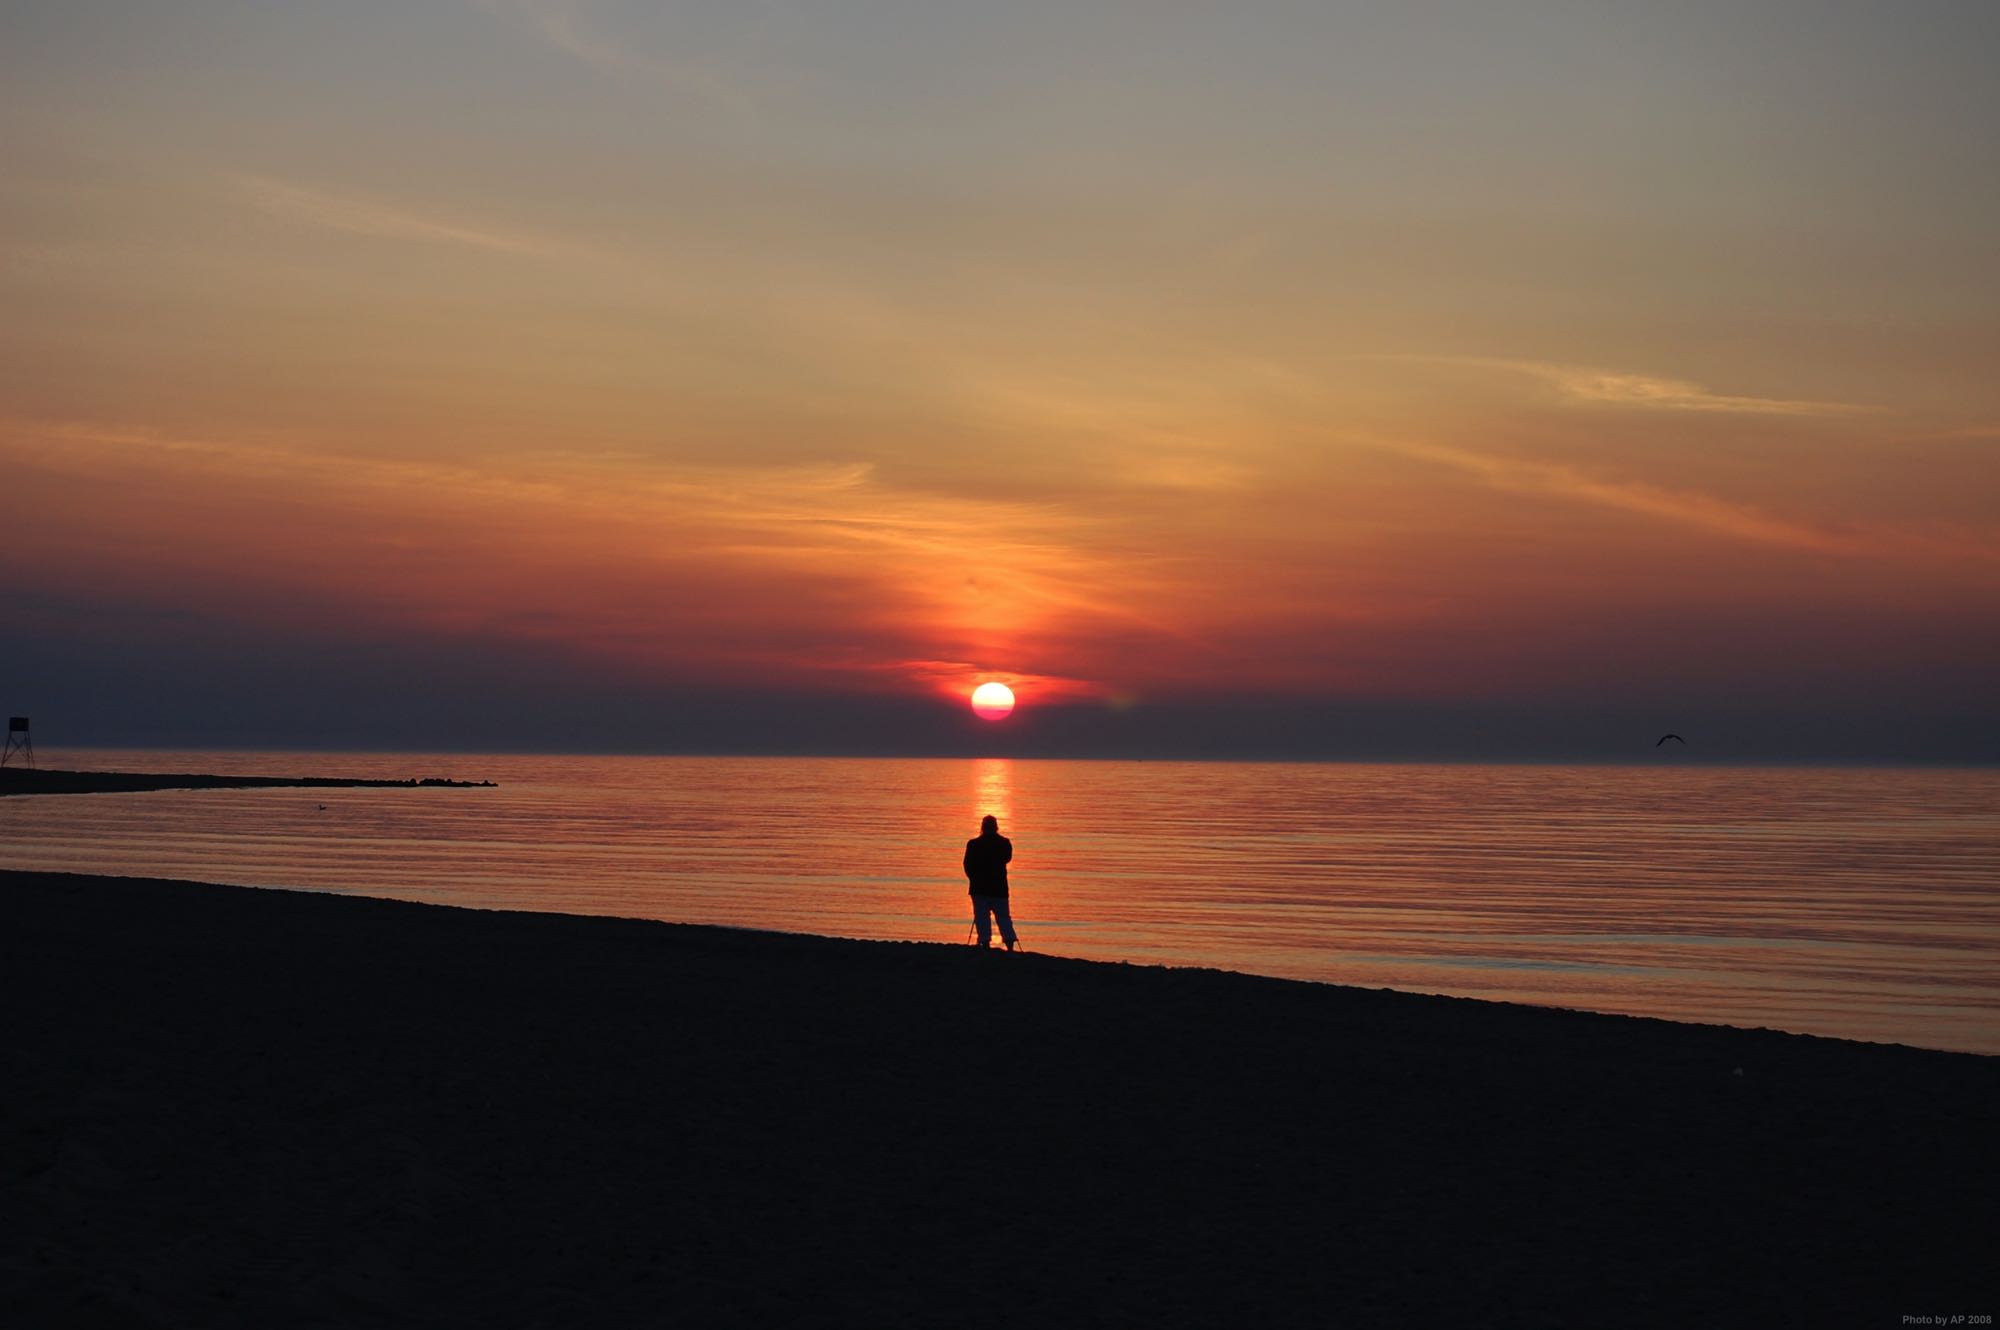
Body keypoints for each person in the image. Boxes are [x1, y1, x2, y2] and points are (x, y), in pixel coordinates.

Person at [963, 814, 1018, 951]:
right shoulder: (1005, 843)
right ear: (996, 827)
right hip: (999, 888)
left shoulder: (973, 844)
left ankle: (985, 942)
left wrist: (973, 879)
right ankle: (1009, 944)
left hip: (979, 888)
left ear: (982, 827)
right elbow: (1007, 858)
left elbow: (967, 865)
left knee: (981, 916)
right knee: (1003, 916)